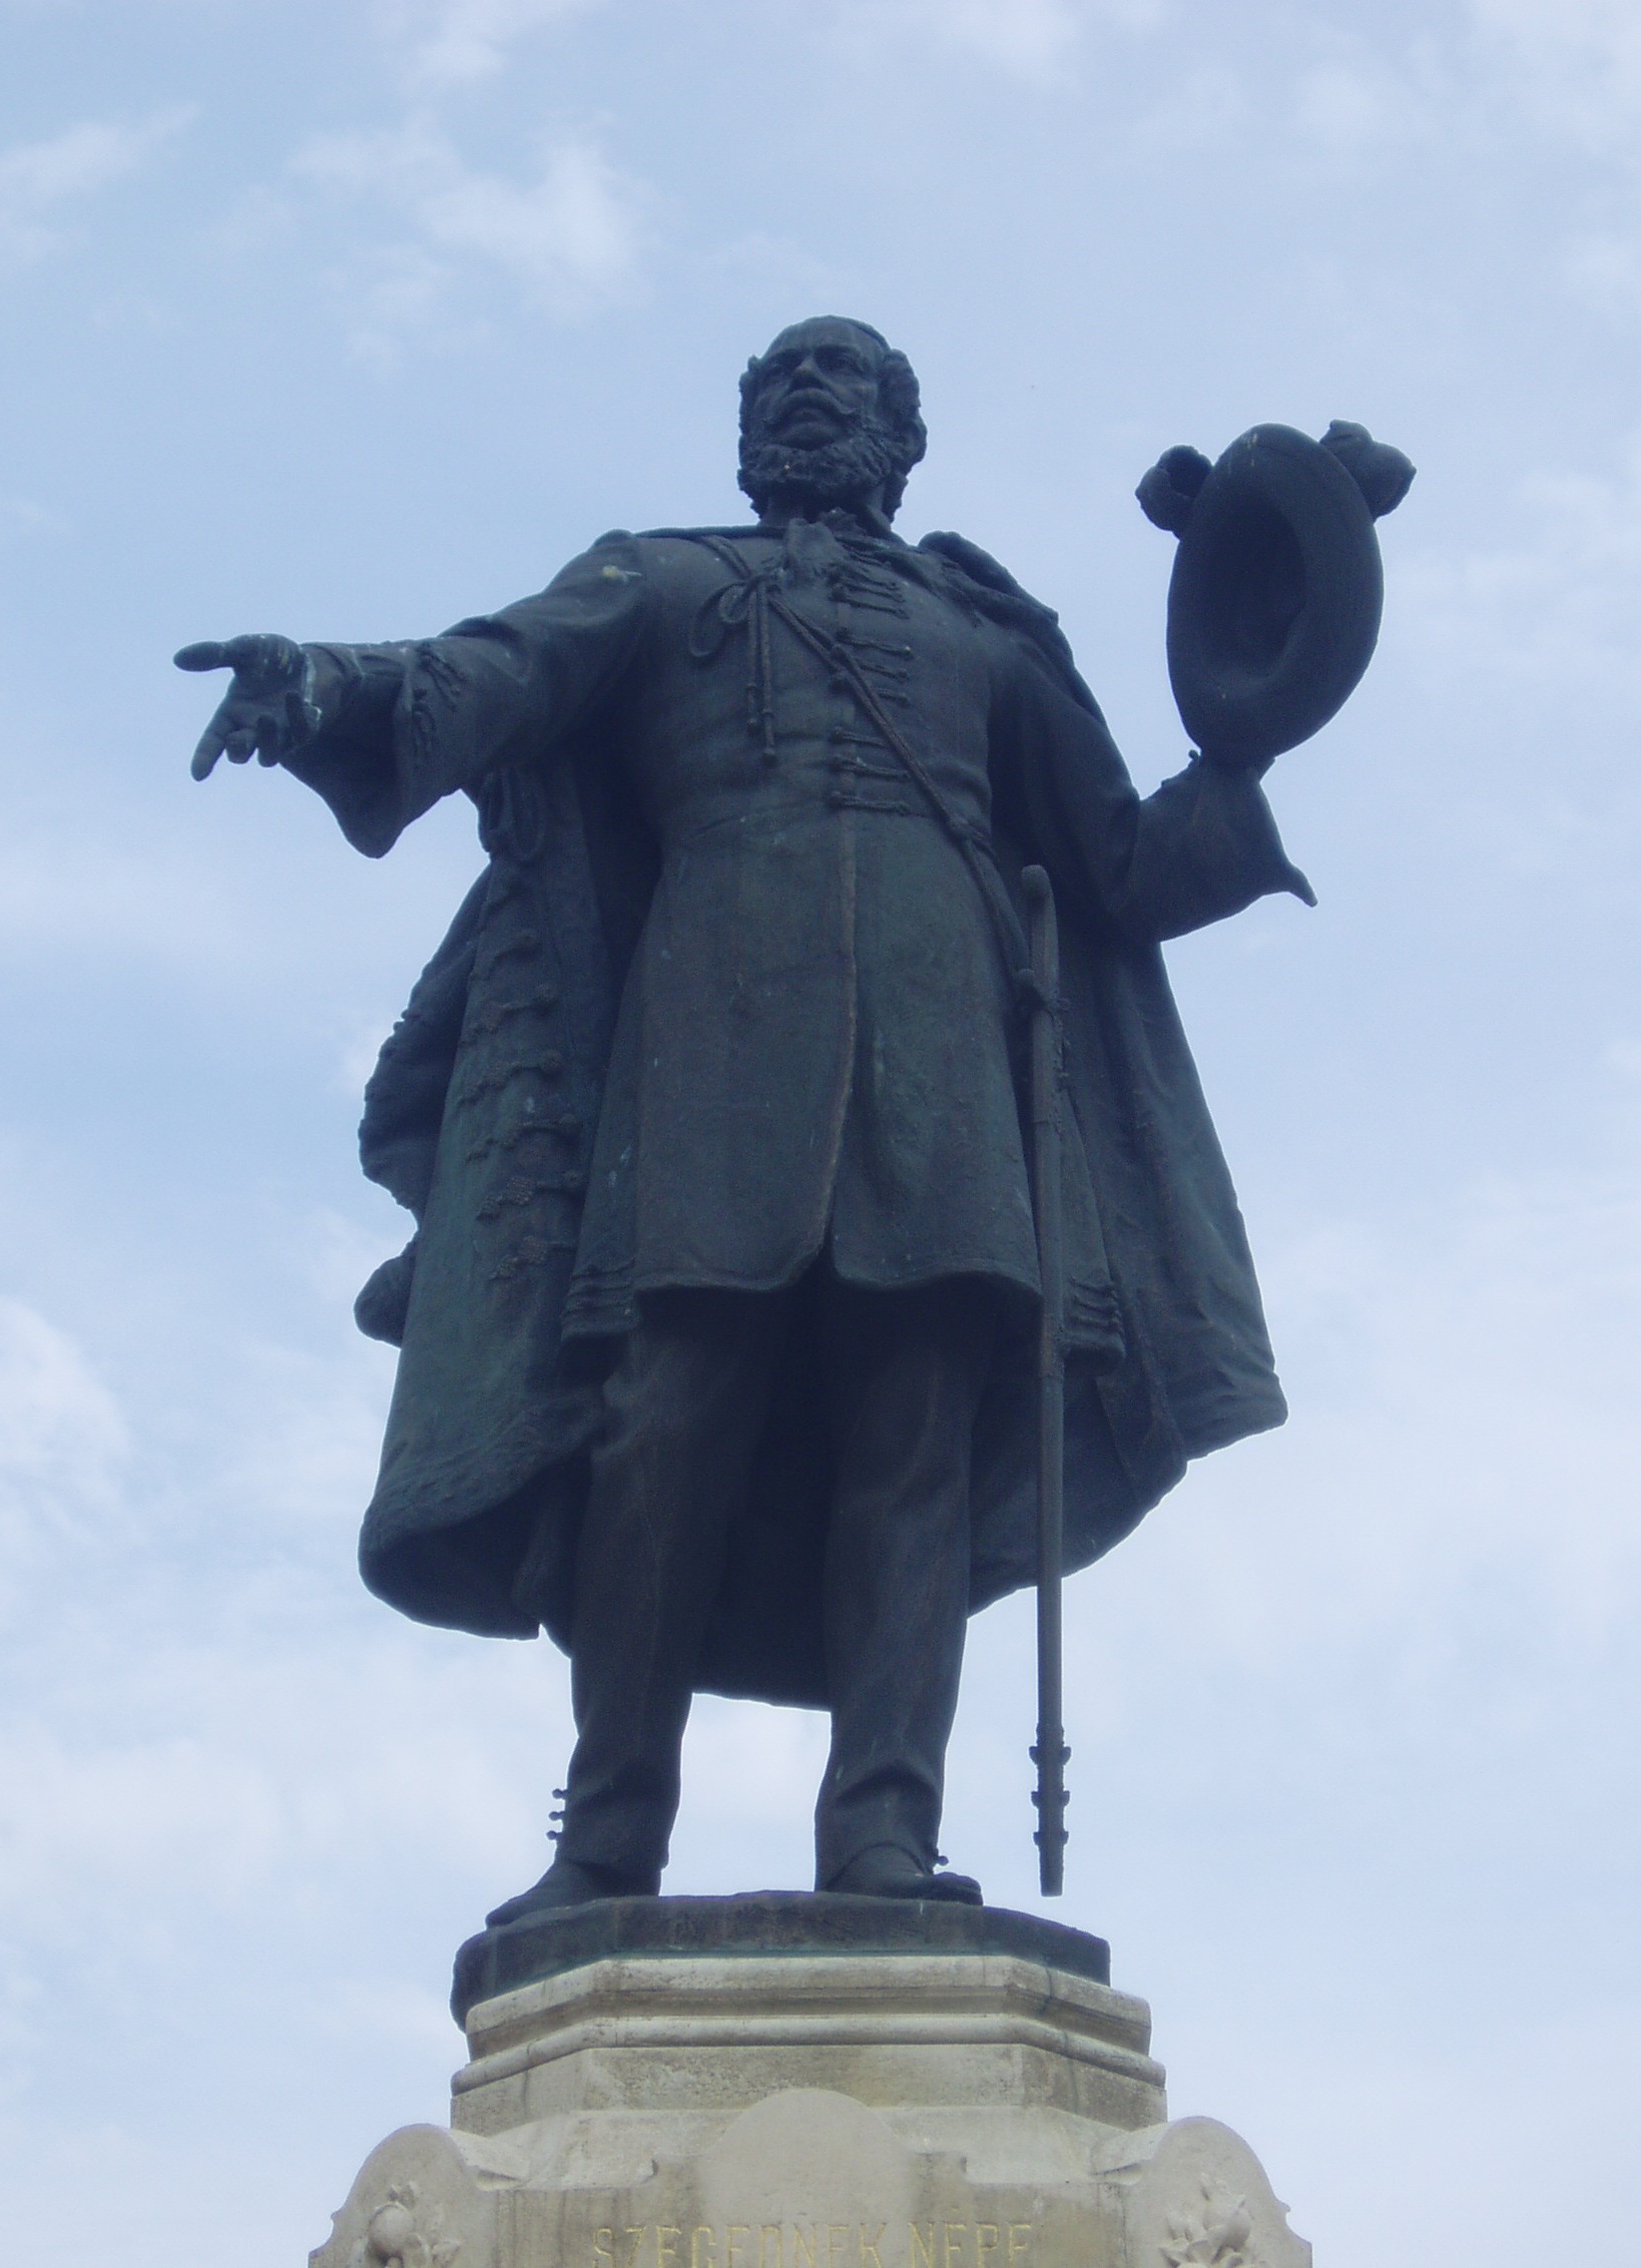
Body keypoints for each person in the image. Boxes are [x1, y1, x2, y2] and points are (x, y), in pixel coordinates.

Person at [180, 317, 1312, 1924]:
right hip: (705, 1070)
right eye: (782, 383)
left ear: (901, 444)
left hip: (944, 1074)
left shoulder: (985, 631)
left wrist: (1249, 725)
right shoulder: (657, 581)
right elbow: (489, 672)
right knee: (658, 1444)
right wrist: (319, 686)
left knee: (914, 1453)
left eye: (843, 384)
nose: (808, 399)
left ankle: (883, 1838)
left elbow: (1121, 866)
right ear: (748, 437)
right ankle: (607, 1839)